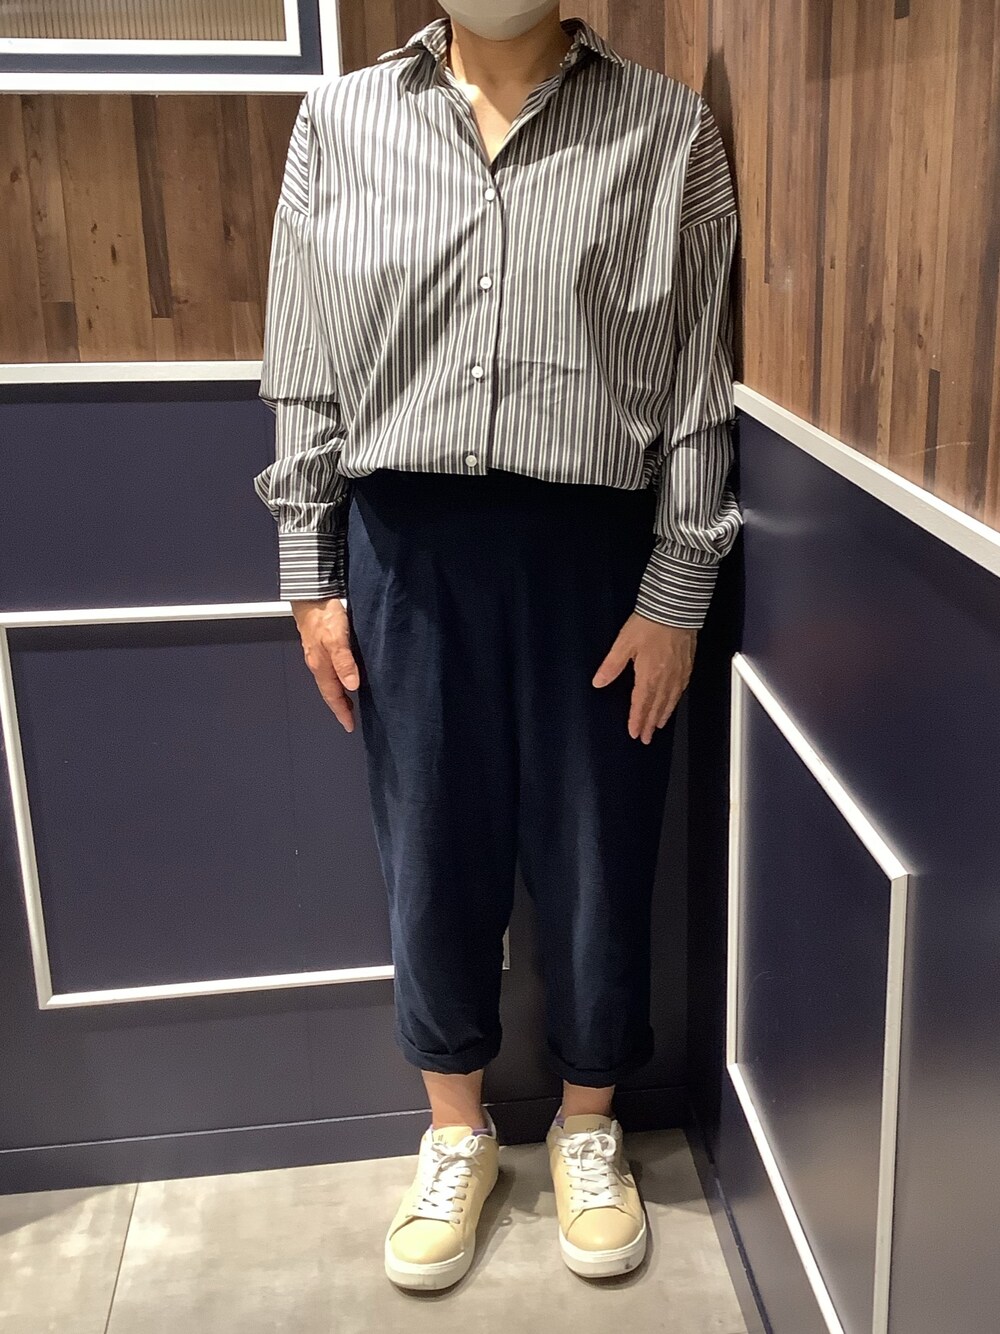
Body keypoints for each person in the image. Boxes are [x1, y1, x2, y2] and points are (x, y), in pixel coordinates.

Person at [253, 0, 742, 1292]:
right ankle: (456, 1133)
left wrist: (679, 583)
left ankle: (589, 1124)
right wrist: (310, 572)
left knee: (599, 846)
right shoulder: (340, 124)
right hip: (404, 547)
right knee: (429, 848)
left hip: (598, 554)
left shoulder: (667, 129)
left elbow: (697, 378)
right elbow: (303, 361)